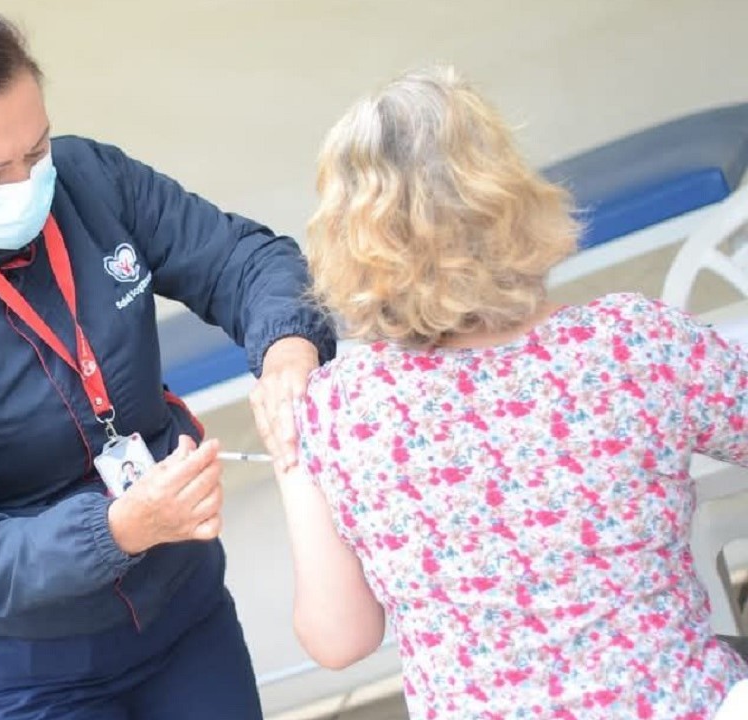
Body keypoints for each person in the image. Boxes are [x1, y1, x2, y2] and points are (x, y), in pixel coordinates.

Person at [0, 3, 333, 717]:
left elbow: (245, 261)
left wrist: (289, 350)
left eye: (36, 150)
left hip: (179, 606)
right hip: (19, 670)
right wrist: (115, 529)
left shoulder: (91, 178)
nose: (26, 185)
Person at [279, 66, 748, 718]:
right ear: (509, 193)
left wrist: (290, 453)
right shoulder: (632, 342)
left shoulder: (337, 410)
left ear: (347, 242)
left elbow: (339, 640)